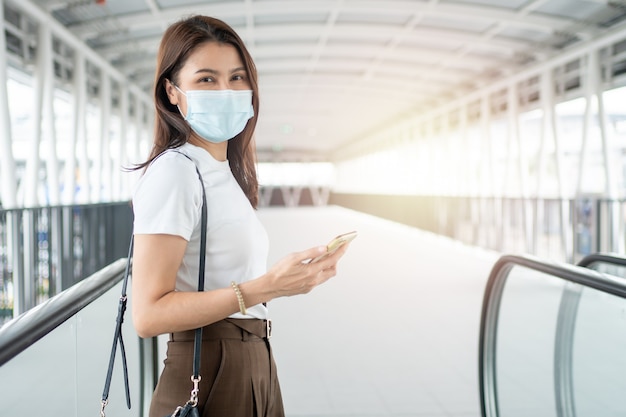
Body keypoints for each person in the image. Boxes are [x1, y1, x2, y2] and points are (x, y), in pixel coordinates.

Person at [130, 15, 350, 417]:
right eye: (207, 80)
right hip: (213, 367)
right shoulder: (176, 170)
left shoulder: (223, 172)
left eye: (236, 78)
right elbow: (147, 315)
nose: (227, 91)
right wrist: (266, 287)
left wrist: (286, 282)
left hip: (253, 359)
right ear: (172, 92)